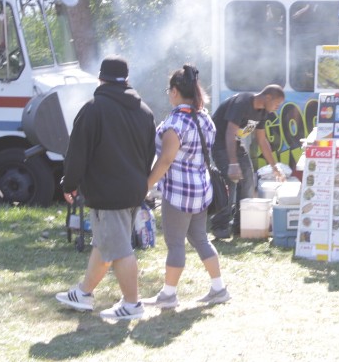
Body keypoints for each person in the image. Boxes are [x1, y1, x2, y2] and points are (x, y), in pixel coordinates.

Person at [55, 56, 156, 321]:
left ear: (101, 78)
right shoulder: (144, 111)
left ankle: (133, 304)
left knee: (120, 248)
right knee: (104, 242)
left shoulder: (94, 109)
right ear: (127, 79)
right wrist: (141, 183)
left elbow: (77, 152)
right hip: (134, 189)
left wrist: (70, 183)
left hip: (108, 193)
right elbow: (148, 155)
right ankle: (83, 293)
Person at [142, 64, 231, 310]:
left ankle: (169, 294)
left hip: (179, 193)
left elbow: (166, 160)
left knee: (176, 243)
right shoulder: (204, 118)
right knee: (200, 238)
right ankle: (219, 288)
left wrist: (147, 185)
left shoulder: (175, 123)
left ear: (174, 92)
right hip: (202, 190)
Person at [210, 84, 287, 239]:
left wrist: (274, 167)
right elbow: (229, 133)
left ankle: (241, 225)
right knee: (230, 182)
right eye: (277, 104)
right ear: (268, 97)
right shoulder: (243, 102)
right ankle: (219, 226)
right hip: (219, 144)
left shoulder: (263, 112)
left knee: (248, 180)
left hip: (234, 145)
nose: (278, 108)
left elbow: (262, 140)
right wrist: (232, 164)